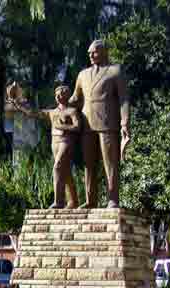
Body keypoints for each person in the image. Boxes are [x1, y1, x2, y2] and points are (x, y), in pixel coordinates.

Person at [69, 39, 130, 209]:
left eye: (94, 52)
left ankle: (113, 199)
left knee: (110, 163)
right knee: (89, 164)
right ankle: (91, 200)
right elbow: (75, 97)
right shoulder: (83, 74)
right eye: (89, 53)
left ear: (103, 51)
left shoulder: (115, 71)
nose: (91, 55)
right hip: (87, 124)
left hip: (108, 123)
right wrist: (62, 101)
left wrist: (125, 122)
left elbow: (124, 99)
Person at [8, 84, 82, 208]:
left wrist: (62, 126)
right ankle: (73, 201)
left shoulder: (72, 111)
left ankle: (58, 201)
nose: (58, 97)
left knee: (57, 167)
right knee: (65, 171)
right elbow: (33, 113)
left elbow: (78, 127)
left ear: (67, 95)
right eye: (56, 95)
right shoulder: (52, 112)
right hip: (55, 142)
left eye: (61, 94)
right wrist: (17, 104)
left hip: (66, 141)